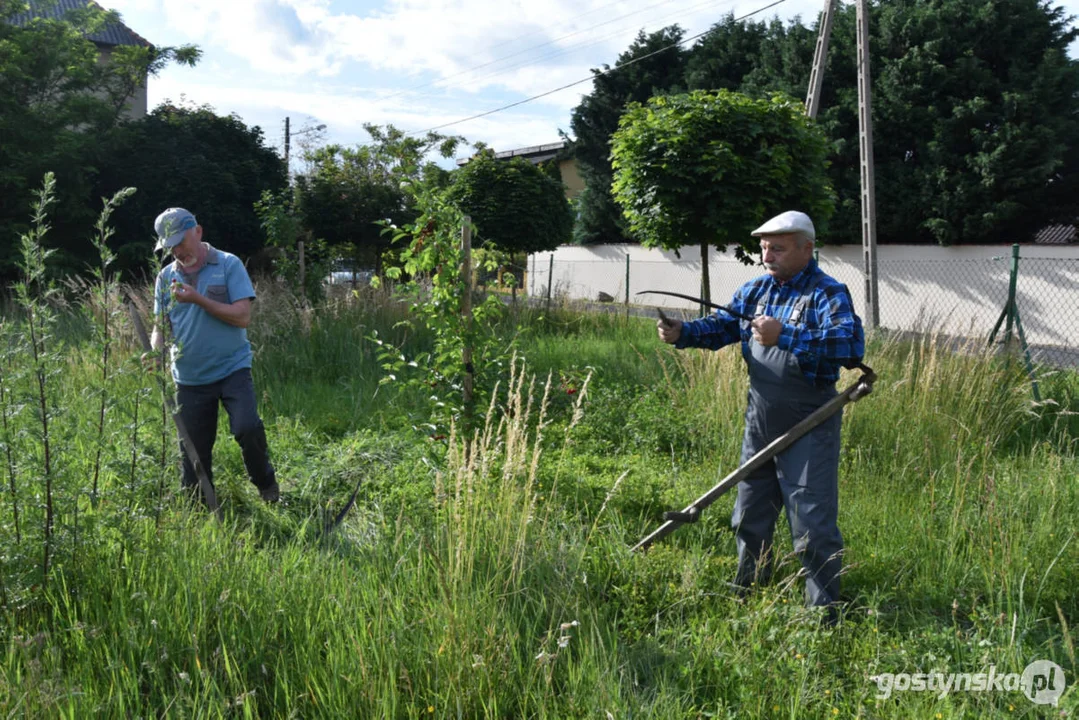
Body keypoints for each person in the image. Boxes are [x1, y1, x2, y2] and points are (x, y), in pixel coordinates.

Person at [657, 210, 864, 614]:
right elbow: (719, 327)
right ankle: (748, 589)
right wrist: (682, 332)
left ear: (807, 248)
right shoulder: (756, 290)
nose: (767, 256)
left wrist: (784, 335)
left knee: (811, 521)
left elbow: (848, 347)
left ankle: (822, 612)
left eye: (778, 248)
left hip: (811, 419)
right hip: (760, 416)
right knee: (749, 511)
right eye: (764, 247)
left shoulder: (827, 292)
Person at [149, 207, 279, 503]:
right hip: (189, 377)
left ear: (198, 231)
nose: (177, 252)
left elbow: (242, 316)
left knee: (247, 428)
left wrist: (197, 299)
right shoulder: (165, 277)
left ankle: (267, 485)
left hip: (232, 367)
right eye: (170, 247)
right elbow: (160, 325)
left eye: (180, 242)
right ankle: (200, 508)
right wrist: (155, 352)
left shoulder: (228, 264)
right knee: (193, 449)